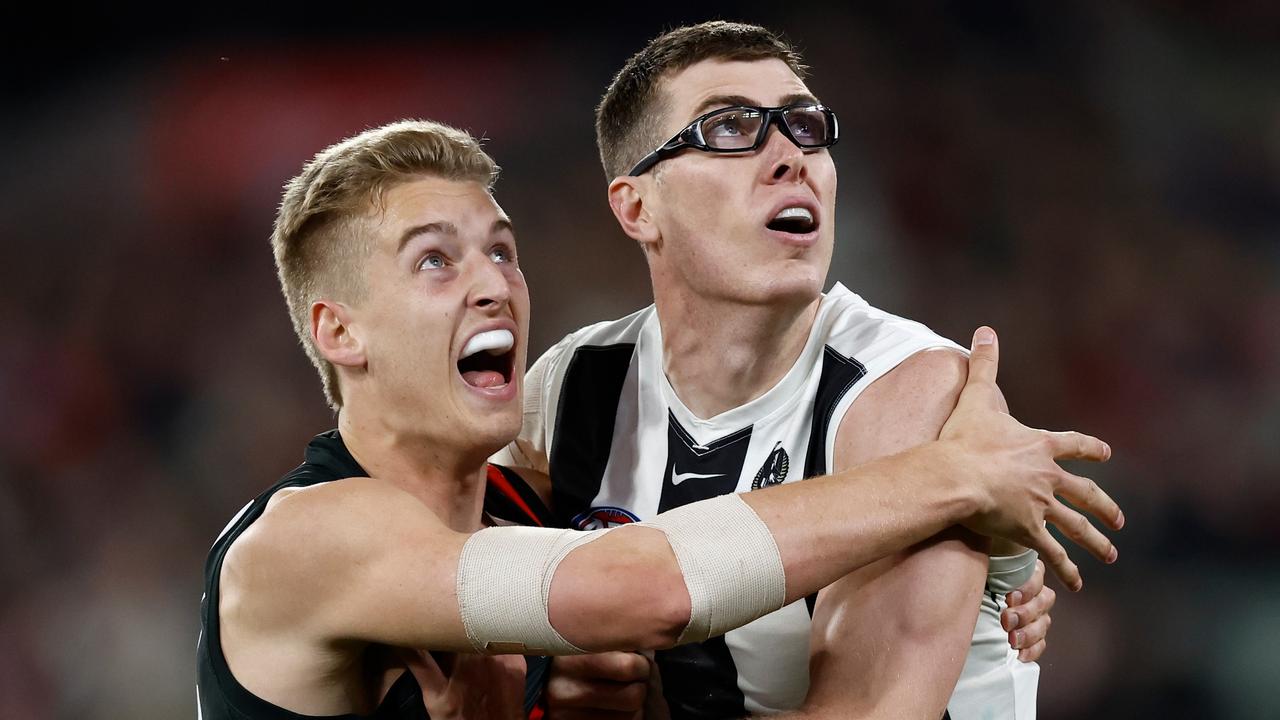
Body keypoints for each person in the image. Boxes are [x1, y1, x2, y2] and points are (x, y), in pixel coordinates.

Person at [195, 120, 1120, 719]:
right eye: (435, 262)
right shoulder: (307, 538)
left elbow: (744, 547)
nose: (494, 286)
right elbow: (650, 589)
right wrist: (944, 481)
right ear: (339, 329)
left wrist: (983, 586)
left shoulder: (540, 511)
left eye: (503, 252)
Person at [496, 21, 1109, 720]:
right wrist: (551, 672)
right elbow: (462, 619)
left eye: (805, 126)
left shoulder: (913, 391)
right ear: (638, 207)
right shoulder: (571, 387)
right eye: (729, 128)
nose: (791, 156)